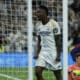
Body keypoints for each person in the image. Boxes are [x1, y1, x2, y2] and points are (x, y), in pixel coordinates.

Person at [34, 5, 62, 80]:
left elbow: (58, 41)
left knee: (58, 75)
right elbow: (39, 40)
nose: (37, 14)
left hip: (53, 52)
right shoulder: (38, 25)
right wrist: (37, 53)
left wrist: (58, 55)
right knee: (37, 72)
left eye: (39, 12)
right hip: (43, 52)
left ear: (45, 13)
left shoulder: (53, 24)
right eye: (37, 12)